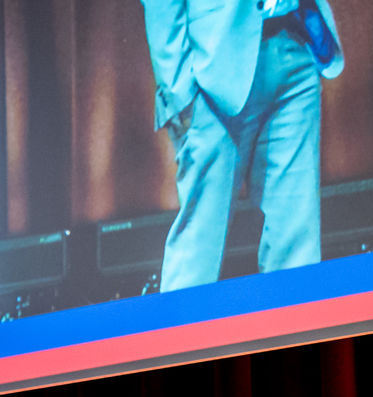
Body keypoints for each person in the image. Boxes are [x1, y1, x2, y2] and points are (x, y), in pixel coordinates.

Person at [141, 0, 344, 292]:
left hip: (293, 47)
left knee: (295, 242)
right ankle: (182, 324)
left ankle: (297, 323)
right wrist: (180, 92)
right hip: (214, 71)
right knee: (199, 247)